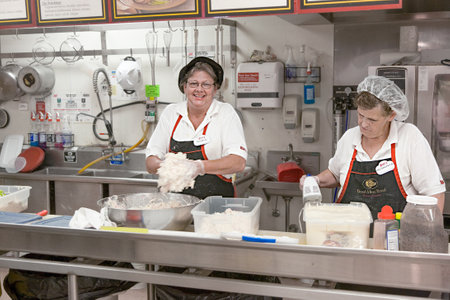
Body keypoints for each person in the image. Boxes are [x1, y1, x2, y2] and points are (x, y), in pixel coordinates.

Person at [300, 75, 446, 220]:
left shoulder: (409, 137)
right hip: (349, 236)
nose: (363, 124)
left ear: (391, 115)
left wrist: (427, 234)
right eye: (360, 115)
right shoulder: (349, 137)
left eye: (371, 119)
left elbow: (434, 194)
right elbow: (335, 174)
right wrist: (316, 180)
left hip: (395, 236)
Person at [145, 56, 247, 199]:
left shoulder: (225, 113)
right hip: (177, 205)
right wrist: (169, 167)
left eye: (206, 84)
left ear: (215, 88)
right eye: (193, 83)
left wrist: (198, 167)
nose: (199, 89)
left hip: (217, 206)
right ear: (184, 87)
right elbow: (150, 162)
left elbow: (238, 162)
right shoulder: (171, 113)